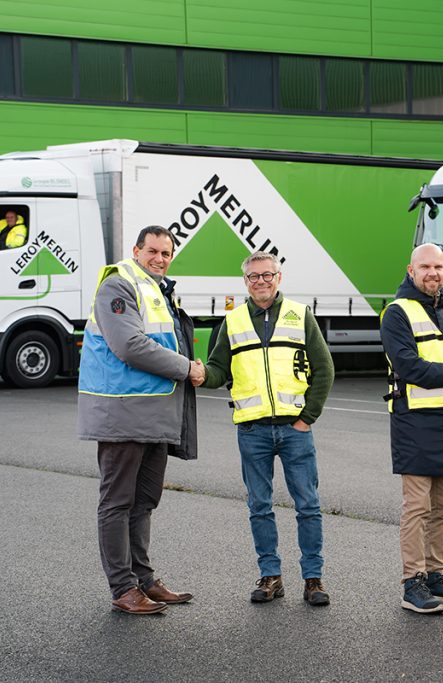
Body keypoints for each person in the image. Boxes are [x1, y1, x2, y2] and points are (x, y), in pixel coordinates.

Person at [77, 225, 203, 615]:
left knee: (144, 501)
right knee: (117, 501)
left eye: (166, 253)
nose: (160, 259)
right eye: (153, 251)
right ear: (136, 250)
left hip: (153, 414)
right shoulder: (119, 285)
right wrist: (187, 368)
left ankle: (144, 580)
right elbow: (129, 345)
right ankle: (123, 588)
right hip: (122, 411)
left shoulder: (158, 290)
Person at [202, 251, 335, 606]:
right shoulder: (232, 322)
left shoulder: (300, 315)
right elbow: (218, 370)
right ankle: (271, 576)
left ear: (279, 278)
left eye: (267, 275)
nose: (260, 281)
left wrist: (308, 417)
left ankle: (313, 579)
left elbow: (325, 369)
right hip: (252, 431)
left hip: (295, 430)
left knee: (307, 505)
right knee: (259, 506)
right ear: (245, 282)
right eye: (253, 277)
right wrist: (199, 374)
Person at [379, 242, 443, 614]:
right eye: (425, 267)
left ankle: (437, 575)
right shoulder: (396, 313)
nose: (433, 274)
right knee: (417, 508)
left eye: (438, 267)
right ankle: (413, 583)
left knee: (442, 508)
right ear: (411, 271)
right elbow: (410, 368)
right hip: (416, 422)